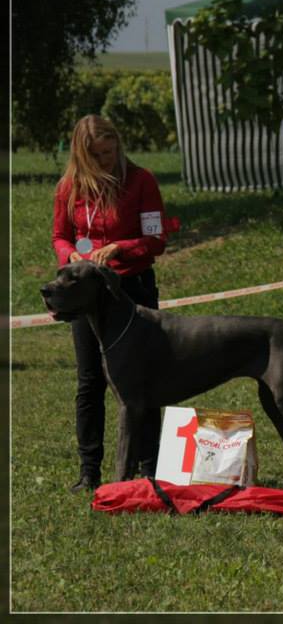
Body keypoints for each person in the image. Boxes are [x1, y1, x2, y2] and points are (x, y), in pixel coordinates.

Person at [52, 114, 172, 493]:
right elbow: (60, 236)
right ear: (81, 154)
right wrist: (70, 255)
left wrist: (121, 246)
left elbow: (156, 240)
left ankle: (148, 468)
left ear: (118, 145)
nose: (104, 160)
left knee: (144, 380)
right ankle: (89, 471)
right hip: (86, 297)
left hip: (132, 290)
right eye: (96, 155)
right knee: (90, 381)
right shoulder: (69, 188)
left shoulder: (141, 181)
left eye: (109, 152)